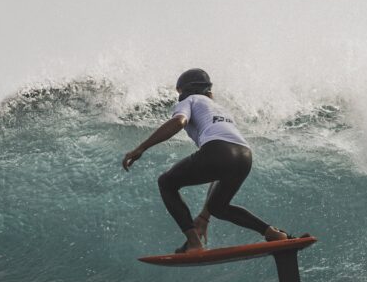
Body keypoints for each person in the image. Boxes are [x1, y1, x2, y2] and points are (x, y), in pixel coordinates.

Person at [122, 68, 289, 253]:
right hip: (244, 156)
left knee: (166, 183)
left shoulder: (190, 100)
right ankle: (271, 233)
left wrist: (141, 148)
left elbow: (179, 122)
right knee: (218, 207)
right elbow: (218, 170)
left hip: (218, 150)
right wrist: (204, 217)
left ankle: (194, 243)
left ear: (184, 90)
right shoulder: (221, 110)